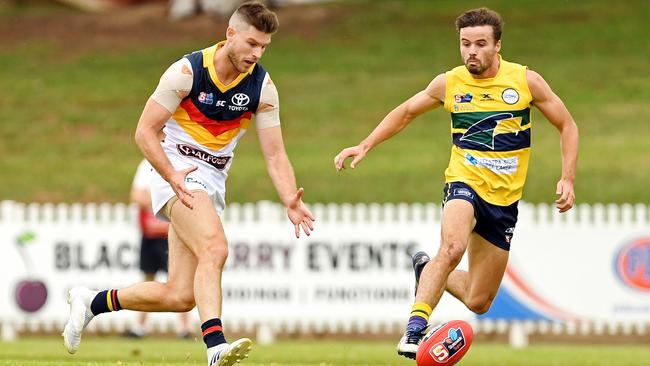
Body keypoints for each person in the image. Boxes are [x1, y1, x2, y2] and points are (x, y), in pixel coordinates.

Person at [62, 2, 315, 365]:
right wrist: (170, 174)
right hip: (177, 173)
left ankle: (91, 302)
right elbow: (144, 132)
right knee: (215, 248)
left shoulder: (262, 86)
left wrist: (290, 198)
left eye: (264, 47)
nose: (257, 53)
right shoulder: (187, 71)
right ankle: (215, 347)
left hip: (211, 181)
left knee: (179, 296)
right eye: (251, 43)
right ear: (230, 35)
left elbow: (275, 154)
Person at [334, 7, 578, 360]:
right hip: (463, 183)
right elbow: (405, 112)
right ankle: (414, 331)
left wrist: (567, 177)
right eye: (465, 44)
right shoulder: (449, 83)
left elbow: (567, 125)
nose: (471, 52)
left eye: (480, 44)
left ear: (498, 46)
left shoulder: (525, 81)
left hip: (504, 202)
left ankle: (425, 271)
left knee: (479, 300)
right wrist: (365, 144)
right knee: (451, 249)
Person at [128, 158, 191, 339]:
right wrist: (164, 198)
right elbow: (137, 196)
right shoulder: (146, 164)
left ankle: (184, 329)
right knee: (148, 277)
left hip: (172, 232)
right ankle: (139, 327)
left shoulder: (181, 161)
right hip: (150, 233)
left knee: (179, 279)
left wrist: (155, 198)